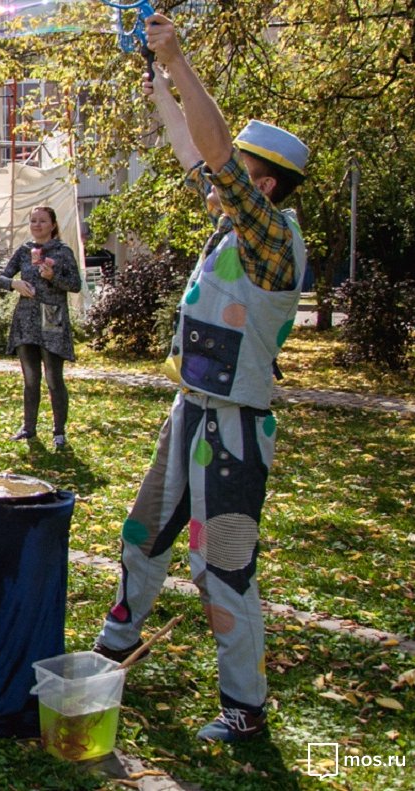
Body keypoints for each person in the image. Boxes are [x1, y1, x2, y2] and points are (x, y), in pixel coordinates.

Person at [92, 14, 310, 744]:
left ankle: (244, 708)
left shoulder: (272, 240)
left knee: (223, 568)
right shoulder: (229, 222)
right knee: (142, 534)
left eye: (236, 171)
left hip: (236, 429)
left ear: (265, 183)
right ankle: (115, 647)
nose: (215, 178)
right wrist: (155, 74)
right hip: (191, 412)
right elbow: (194, 146)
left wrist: (181, 58)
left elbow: (211, 151)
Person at [0, 207, 82, 448]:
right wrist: (14, 284)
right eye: (33, 221)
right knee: (31, 379)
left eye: (42, 221)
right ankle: (28, 428)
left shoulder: (62, 252)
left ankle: (59, 432)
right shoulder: (24, 251)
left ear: (53, 225)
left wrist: (52, 276)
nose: (37, 225)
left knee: (54, 378)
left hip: (52, 318)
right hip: (26, 320)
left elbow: (75, 284)